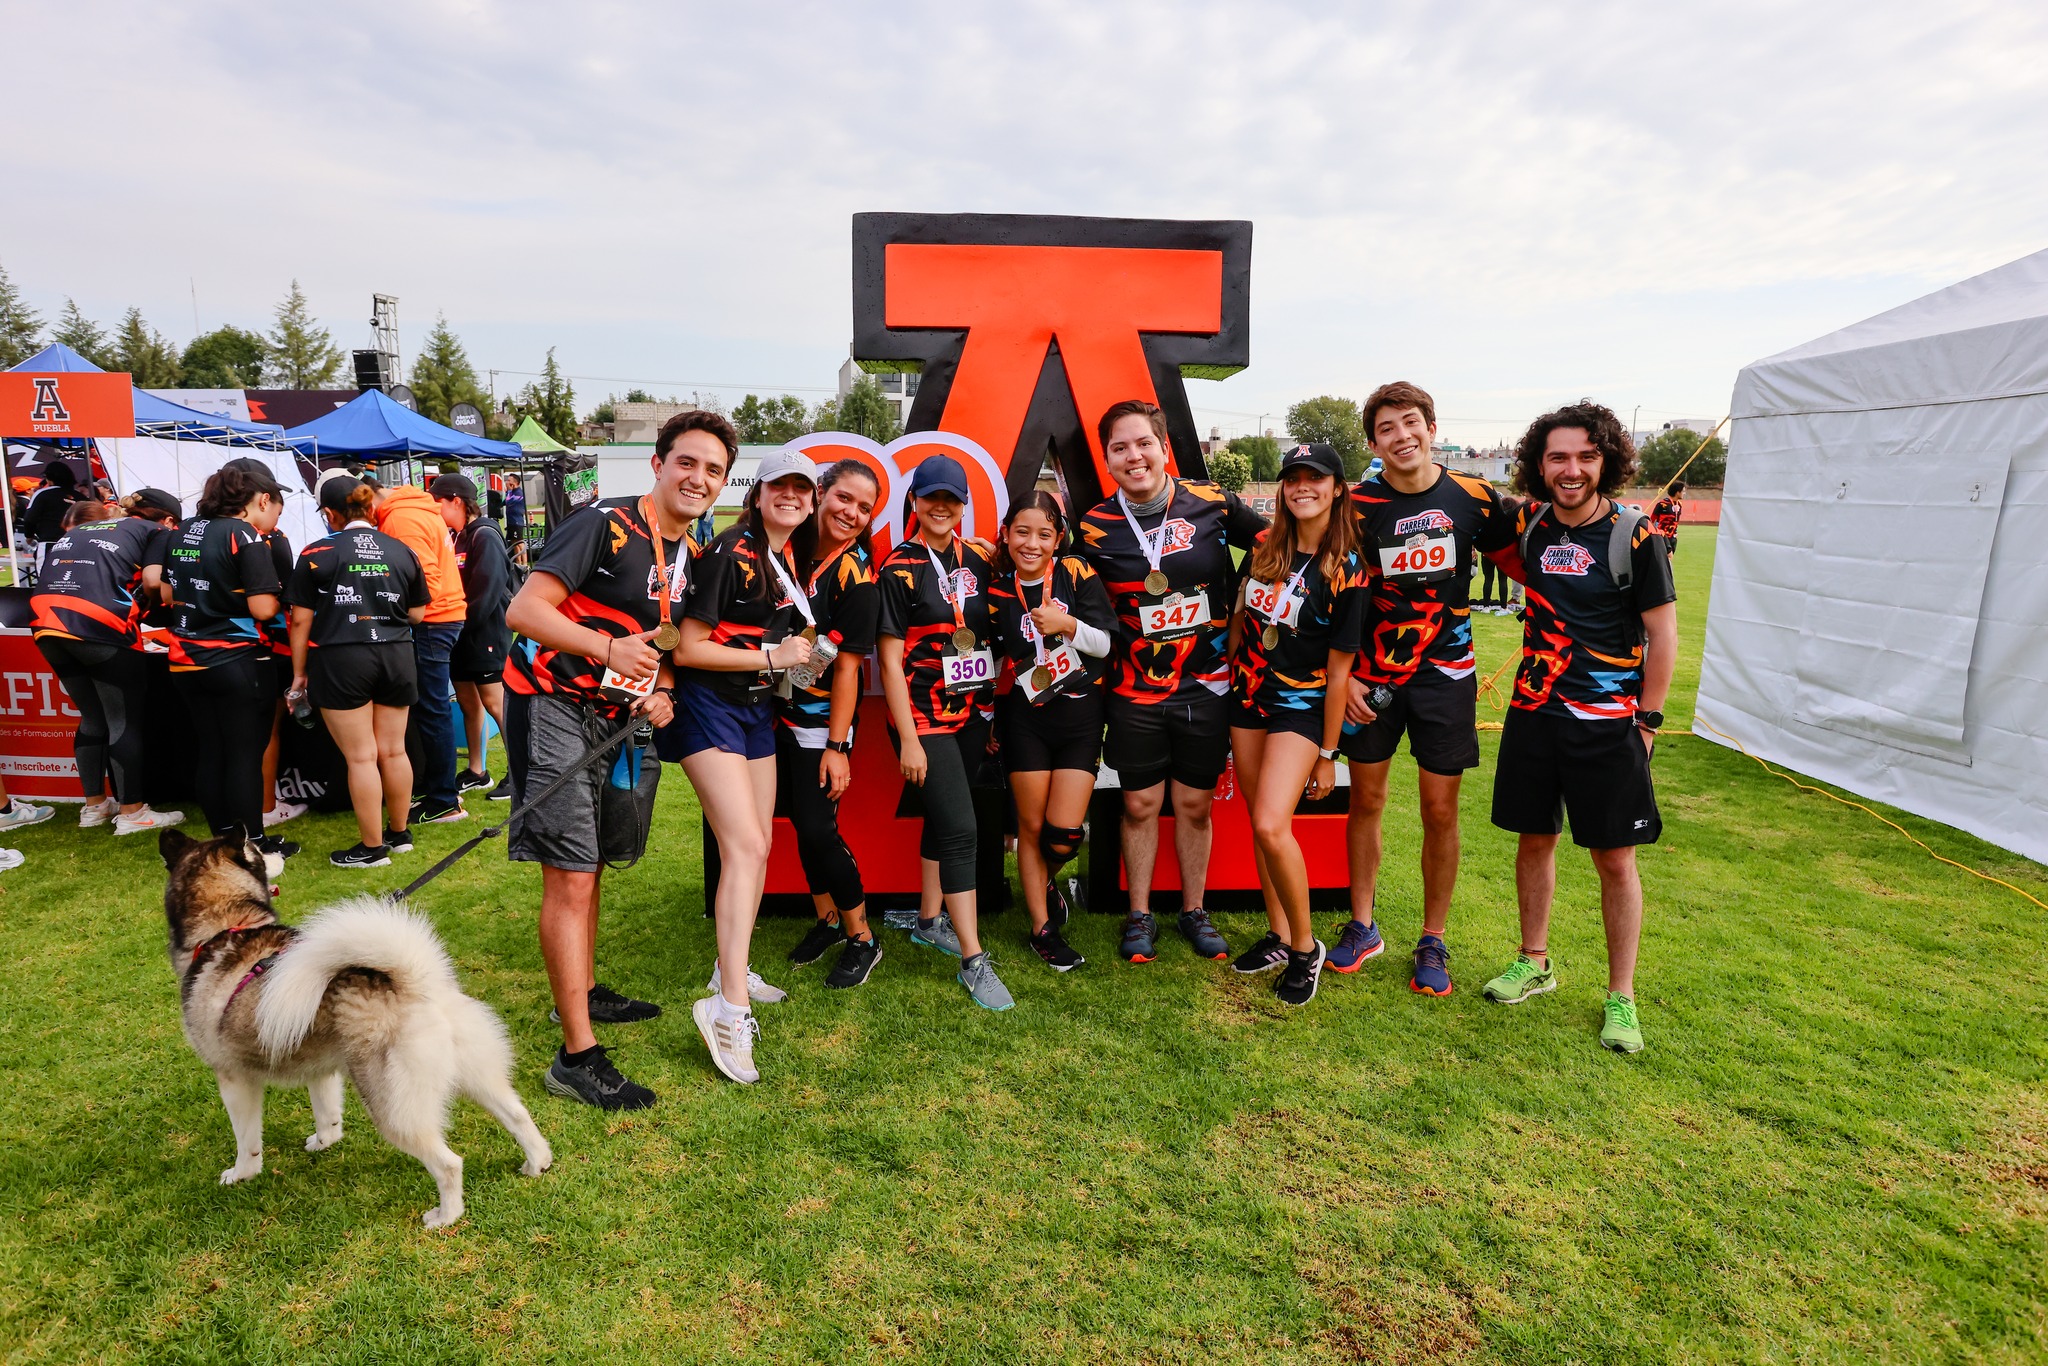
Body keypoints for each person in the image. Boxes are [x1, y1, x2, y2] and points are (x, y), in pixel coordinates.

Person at [503, 410, 723, 1110]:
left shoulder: (690, 550)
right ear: (657, 464)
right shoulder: (604, 523)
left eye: (713, 470)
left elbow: (658, 646)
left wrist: (659, 688)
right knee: (569, 873)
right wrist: (604, 650)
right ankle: (575, 1057)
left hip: (611, 716)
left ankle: (585, 992)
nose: (699, 478)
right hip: (551, 704)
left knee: (592, 861)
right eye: (687, 462)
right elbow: (524, 609)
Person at [1481, 401, 1676, 1054]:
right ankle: (1534, 961)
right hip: (1535, 716)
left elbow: (1662, 632)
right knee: (1533, 841)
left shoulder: (1633, 533)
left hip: (1607, 723)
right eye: (1558, 457)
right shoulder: (1530, 526)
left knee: (1614, 860)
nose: (1571, 470)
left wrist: (1647, 720)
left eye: (1585, 457)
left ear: (1606, 462)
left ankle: (1622, 997)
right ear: (1540, 464)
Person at [1338, 381, 1520, 994]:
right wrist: (1346, 679)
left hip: (1447, 675)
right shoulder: (1355, 505)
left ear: (1432, 428)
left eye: (1410, 422)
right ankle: (1362, 924)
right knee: (1365, 801)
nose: (1401, 436)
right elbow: (1335, 592)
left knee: (1440, 809)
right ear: (1373, 442)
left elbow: (1530, 562)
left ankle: (1433, 938)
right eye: (1387, 428)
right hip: (1372, 680)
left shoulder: (1475, 497)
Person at [1075, 399, 1266, 964]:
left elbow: (1278, 547)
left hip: (1206, 685)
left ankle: (1193, 910)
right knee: (1138, 806)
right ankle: (1139, 915)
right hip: (1133, 690)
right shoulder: (1092, 525)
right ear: (1108, 458)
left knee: (1195, 805)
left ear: (1165, 448)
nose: (1134, 456)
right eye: (1120, 448)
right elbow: (1068, 593)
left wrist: (1246, 605)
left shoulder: (1213, 504)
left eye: (1143, 444)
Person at [669, 450, 822, 1082]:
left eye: (801, 489)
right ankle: (726, 1008)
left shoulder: (785, 557)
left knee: (755, 852)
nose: (791, 496)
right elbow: (689, 646)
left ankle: (730, 967)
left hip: (757, 712)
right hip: (708, 710)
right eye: (779, 486)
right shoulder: (733, 550)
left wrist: (792, 657)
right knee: (749, 845)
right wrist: (772, 657)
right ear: (758, 493)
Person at [1226, 444, 1368, 1003]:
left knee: (1268, 823)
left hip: (1301, 706)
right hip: (1248, 697)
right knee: (1260, 824)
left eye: (1316, 478)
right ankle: (1280, 935)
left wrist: (1329, 754)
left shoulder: (1348, 568)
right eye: (1293, 478)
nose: (1302, 486)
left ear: (1337, 488)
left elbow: (1339, 675)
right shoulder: (1264, 547)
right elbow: (1239, 622)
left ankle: (1308, 949)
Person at [876, 454, 1013, 1011]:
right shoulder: (898, 567)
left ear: (963, 505)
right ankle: (973, 960)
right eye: (930, 497)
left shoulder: (980, 559)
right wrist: (908, 738)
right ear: (915, 501)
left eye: (951, 499)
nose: (941, 507)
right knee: (962, 830)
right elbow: (887, 662)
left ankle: (931, 919)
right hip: (922, 718)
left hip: (972, 716)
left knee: (942, 818)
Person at [988, 491, 1115, 971]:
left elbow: (1106, 643)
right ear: (1006, 534)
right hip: (1025, 720)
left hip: (1080, 716)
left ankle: (1042, 879)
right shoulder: (996, 587)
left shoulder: (1076, 573)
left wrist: (1068, 624)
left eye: (1044, 534)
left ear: (1058, 539)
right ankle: (1042, 929)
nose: (1032, 543)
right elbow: (990, 657)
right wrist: (987, 721)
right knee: (1031, 827)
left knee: (1063, 837)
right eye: (1021, 531)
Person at [779, 459, 885, 988]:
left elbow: (847, 668)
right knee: (801, 824)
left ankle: (862, 938)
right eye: (845, 498)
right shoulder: (783, 549)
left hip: (821, 725)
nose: (852, 513)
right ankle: (824, 919)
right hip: (768, 712)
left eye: (865, 508)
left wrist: (837, 746)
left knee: (820, 828)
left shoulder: (858, 576)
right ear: (821, 493)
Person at [156, 463, 297, 859]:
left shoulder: (182, 530)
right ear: (262, 499)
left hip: (184, 658)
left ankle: (221, 837)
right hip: (233, 658)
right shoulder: (244, 534)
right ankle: (253, 843)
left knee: (211, 749)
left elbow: (166, 594)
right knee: (243, 754)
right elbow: (264, 607)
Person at [287, 475, 430, 867]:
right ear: (371, 508)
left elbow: (300, 621)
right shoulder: (401, 550)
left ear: (330, 514)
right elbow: (417, 613)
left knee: (362, 757)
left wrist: (299, 675)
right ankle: (399, 834)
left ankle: (371, 849)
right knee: (394, 749)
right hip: (396, 655)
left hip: (341, 657)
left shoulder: (316, 551)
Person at [27, 487, 186, 834]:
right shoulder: (159, 531)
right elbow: (153, 580)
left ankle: (95, 806)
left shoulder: (83, 528)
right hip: (97, 622)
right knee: (122, 718)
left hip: (45, 620)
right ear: (169, 519)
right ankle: (132, 812)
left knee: (91, 716)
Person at [210, 458, 307, 833]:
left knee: (229, 738)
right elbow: (275, 600)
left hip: (207, 650)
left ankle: (244, 812)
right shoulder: (260, 537)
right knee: (263, 732)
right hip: (259, 646)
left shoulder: (201, 531)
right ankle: (265, 805)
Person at [367, 474, 468, 825]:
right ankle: (438, 791)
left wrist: (393, 611)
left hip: (433, 621)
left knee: (432, 708)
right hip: (441, 618)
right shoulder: (413, 509)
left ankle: (444, 799)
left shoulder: (400, 517)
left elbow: (428, 580)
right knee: (431, 706)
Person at [432, 474, 515, 802]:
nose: (433, 510)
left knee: (497, 704)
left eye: (437, 502)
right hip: (459, 635)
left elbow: (488, 589)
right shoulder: (457, 536)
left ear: (456, 501)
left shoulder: (484, 535)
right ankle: (478, 770)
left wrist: (463, 625)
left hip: (484, 634)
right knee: (468, 702)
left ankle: (520, 773)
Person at [23, 462, 82, 579]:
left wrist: (29, 536)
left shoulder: (42, 493)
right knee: (73, 581)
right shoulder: (80, 496)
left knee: (46, 581)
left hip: (50, 542)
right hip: (78, 543)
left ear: (49, 478)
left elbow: (29, 518)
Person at [1651, 480, 1685, 555]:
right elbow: (1652, 520)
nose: (1684, 493)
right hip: (1663, 536)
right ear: (1677, 492)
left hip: (1673, 538)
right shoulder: (1662, 504)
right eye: (1683, 491)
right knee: (1668, 558)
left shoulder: (1679, 504)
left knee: (1668, 561)